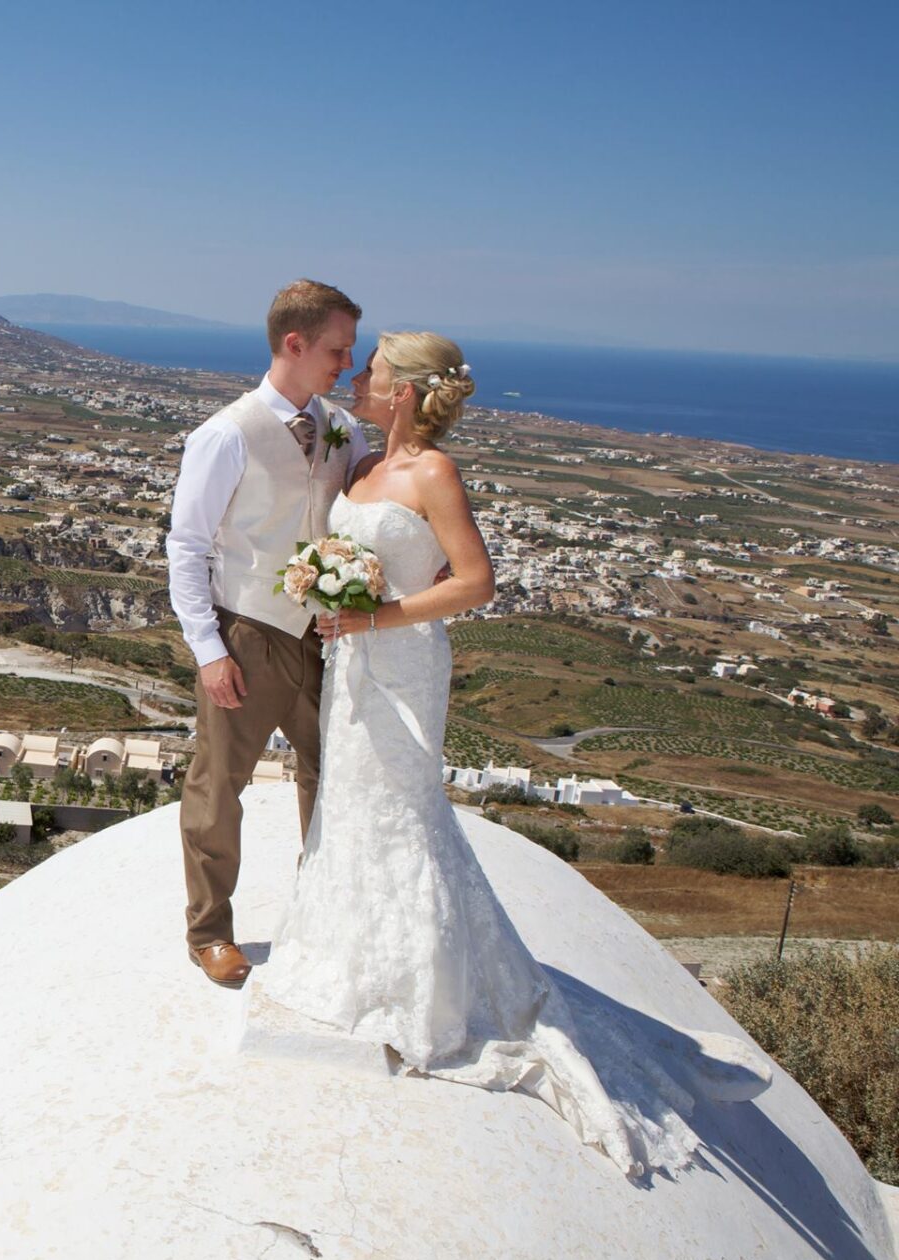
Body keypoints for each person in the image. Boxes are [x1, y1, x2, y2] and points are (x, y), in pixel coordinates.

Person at [260, 331, 707, 1176]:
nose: (356, 377)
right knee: (351, 800)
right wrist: (333, 596)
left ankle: (420, 988)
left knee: (402, 806)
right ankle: (349, 955)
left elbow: (475, 581)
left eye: (372, 371)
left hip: (402, 661)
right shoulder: (359, 466)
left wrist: (374, 617)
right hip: (355, 660)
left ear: (404, 393)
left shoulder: (434, 473)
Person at [167, 280, 368, 988]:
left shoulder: (345, 428)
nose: (348, 362)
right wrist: (210, 652)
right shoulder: (227, 433)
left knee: (332, 781)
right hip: (248, 632)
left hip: (327, 638)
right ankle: (210, 933)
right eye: (338, 349)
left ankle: (320, 917)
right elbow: (186, 547)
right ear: (295, 343)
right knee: (220, 786)